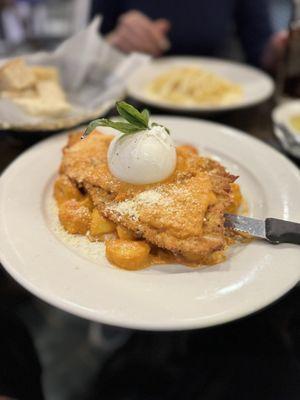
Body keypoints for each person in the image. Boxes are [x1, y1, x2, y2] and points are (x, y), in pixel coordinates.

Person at [91, 0, 287, 70]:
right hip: (131, 107)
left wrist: (282, 48)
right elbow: (90, 48)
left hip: (225, 108)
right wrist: (115, 41)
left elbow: (260, 49)